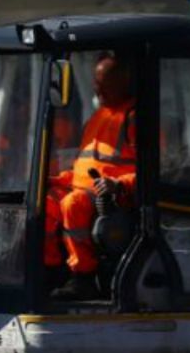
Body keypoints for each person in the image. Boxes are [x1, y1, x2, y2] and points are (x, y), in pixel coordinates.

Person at [47, 53, 137, 300]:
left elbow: (154, 171)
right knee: (44, 204)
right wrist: (57, 180)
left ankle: (84, 277)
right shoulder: (98, 117)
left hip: (115, 198)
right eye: (97, 83)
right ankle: (52, 271)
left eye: (105, 83)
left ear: (124, 82)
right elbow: (84, 168)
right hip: (85, 190)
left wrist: (118, 184)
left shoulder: (134, 118)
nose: (98, 89)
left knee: (72, 204)